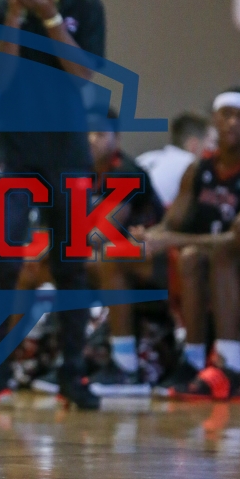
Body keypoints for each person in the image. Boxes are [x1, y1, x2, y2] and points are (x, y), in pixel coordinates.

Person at [0, 0, 106, 410]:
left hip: (67, 151)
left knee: (71, 266)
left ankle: (73, 373)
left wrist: (51, 17)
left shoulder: (85, 7)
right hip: (14, 152)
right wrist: (16, 16)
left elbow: (82, 75)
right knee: (1, 261)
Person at [138, 89, 240, 399]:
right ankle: (189, 361)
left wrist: (172, 239)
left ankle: (230, 366)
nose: (232, 122)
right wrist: (148, 236)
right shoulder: (198, 168)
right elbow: (170, 224)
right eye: (226, 114)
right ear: (214, 120)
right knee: (184, 256)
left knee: (215, 252)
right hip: (217, 256)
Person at [84, 124, 164, 390]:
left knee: (91, 261)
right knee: (36, 266)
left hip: (156, 256)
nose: (90, 139)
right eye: (86, 133)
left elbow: (102, 233)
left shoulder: (126, 172)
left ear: (116, 139)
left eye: (98, 133)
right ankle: (22, 356)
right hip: (120, 255)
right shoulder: (83, 172)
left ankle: (125, 363)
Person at [136, 112, 214, 209]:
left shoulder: (145, 158)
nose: (213, 148)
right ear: (193, 144)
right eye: (211, 143)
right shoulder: (193, 165)